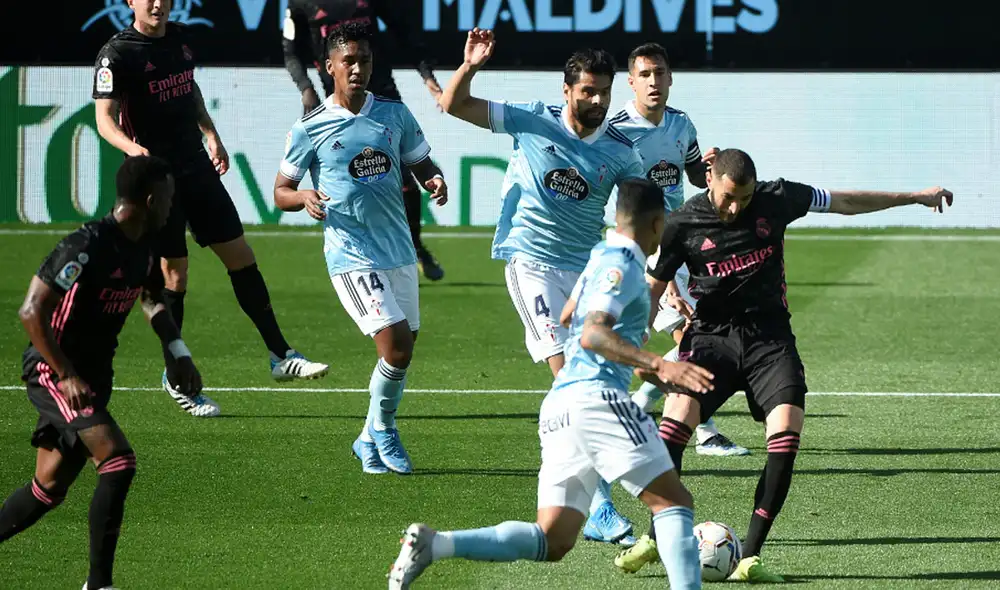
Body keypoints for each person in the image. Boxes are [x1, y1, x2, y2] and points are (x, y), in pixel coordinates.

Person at [614, 148, 954, 582]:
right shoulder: (683, 221)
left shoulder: (777, 198)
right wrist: (639, 343)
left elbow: (845, 201)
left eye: (745, 197)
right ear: (710, 179)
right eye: (727, 197)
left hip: (770, 341)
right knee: (674, 422)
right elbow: (655, 283)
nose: (735, 207)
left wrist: (914, 197)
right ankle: (655, 532)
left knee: (787, 431)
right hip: (711, 339)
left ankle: (750, 556)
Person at [388, 178, 713, 590]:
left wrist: (640, 361)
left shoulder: (598, 257)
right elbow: (593, 334)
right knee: (674, 502)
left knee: (553, 538)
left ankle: (435, 545)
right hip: (598, 402)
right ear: (656, 223)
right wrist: (659, 365)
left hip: (561, 407)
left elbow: (569, 318)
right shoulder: (624, 265)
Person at [438, 28, 646, 545]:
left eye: (604, 91)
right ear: (567, 90)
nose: (596, 101)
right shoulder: (531, 119)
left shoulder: (621, 151)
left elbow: (640, 211)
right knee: (570, 379)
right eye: (587, 91)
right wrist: (470, 66)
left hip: (585, 269)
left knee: (592, 380)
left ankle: (580, 487)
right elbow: (453, 104)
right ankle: (597, 506)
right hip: (529, 261)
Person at [93, 0, 328, 419]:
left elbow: (189, 89)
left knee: (241, 256)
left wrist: (212, 133)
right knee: (175, 274)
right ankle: (176, 375)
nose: (158, 4)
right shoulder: (117, 53)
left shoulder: (180, 39)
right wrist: (132, 148)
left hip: (197, 168)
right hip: (157, 179)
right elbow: (104, 119)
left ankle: (279, 353)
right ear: (131, 1)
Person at [0, 156, 204, 590]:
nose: (172, 206)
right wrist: (66, 373)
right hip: (55, 373)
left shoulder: (144, 244)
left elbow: (151, 298)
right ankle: (99, 584)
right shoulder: (86, 245)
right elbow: (31, 311)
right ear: (150, 199)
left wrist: (177, 350)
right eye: (168, 197)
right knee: (118, 461)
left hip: (93, 377)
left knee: (48, 487)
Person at [274, 22, 448, 475]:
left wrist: (433, 178)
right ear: (328, 66)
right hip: (351, 254)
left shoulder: (393, 114)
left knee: (404, 348)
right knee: (395, 347)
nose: (357, 68)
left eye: (364, 60)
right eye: (348, 60)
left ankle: (367, 436)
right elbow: (281, 190)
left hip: (399, 250)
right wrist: (303, 197)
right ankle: (386, 430)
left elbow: (419, 161)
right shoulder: (310, 127)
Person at [609, 42, 750, 458]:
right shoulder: (616, 129)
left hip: (678, 238)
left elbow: (689, 171)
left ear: (670, 78)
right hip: (637, 243)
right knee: (695, 336)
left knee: (697, 334)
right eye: (645, 75)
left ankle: (649, 409)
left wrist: (705, 168)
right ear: (631, 82)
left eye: (660, 74)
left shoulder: (680, 124)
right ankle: (688, 425)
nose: (654, 82)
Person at [282, 0, 447, 281]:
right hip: (340, 100)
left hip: (383, 93)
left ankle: (415, 246)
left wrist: (427, 75)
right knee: (356, 177)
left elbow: (403, 30)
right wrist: (306, 88)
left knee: (404, 175)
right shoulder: (300, 3)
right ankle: (354, 251)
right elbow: (290, 51)